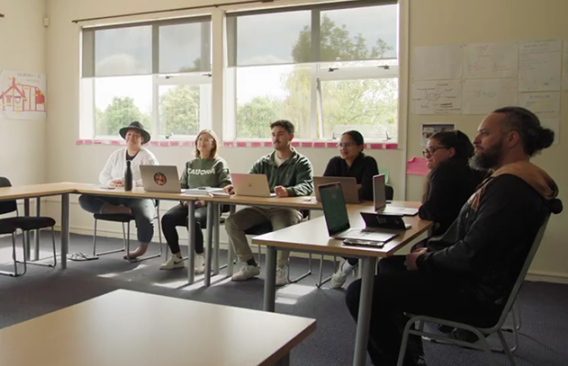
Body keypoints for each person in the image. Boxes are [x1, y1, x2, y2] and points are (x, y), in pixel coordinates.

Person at [345, 107, 561, 366]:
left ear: (512, 139)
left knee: (361, 291)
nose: (476, 140)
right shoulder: (516, 179)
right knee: (391, 265)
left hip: (475, 296)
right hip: (479, 283)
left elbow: (471, 254)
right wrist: (430, 255)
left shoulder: (509, 189)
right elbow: (477, 246)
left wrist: (425, 260)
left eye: (484, 133)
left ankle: (402, 361)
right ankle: (409, 352)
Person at [224, 120, 314, 283]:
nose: (275, 138)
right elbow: (248, 181)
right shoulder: (263, 162)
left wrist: (289, 191)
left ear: (291, 137)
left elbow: (307, 185)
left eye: (280, 134)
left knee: (282, 228)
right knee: (232, 222)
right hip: (260, 208)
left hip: (287, 209)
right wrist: (235, 187)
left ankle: (280, 268)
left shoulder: (301, 162)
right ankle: (250, 265)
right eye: (273, 134)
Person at [79, 121, 159, 260]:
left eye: (136, 135)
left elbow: (154, 179)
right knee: (84, 199)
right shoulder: (116, 155)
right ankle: (120, 210)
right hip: (115, 195)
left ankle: (141, 248)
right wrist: (111, 182)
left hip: (139, 197)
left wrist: (132, 183)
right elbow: (103, 175)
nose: (131, 138)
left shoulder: (148, 157)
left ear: (142, 139)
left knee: (144, 216)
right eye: (129, 135)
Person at [159, 129, 231, 273]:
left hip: (210, 205)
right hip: (189, 203)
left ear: (213, 144)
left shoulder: (219, 164)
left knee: (192, 219)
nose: (201, 142)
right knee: (167, 219)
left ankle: (200, 257)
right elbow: (181, 187)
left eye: (206, 140)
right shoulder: (190, 164)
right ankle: (177, 257)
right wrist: (184, 201)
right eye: (199, 139)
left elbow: (226, 188)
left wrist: (205, 201)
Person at [323, 131, 379, 288]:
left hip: (364, 211)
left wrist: (341, 188)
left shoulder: (368, 162)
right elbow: (325, 188)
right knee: (328, 234)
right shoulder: (335, 162)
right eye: (340, 144)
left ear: (360, 146)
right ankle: (352, 260)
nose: (343, 148)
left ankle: (348, 265)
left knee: (359, 239)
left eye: (348, 144)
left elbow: (367, 191)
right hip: (339, 210)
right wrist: (355, 186)